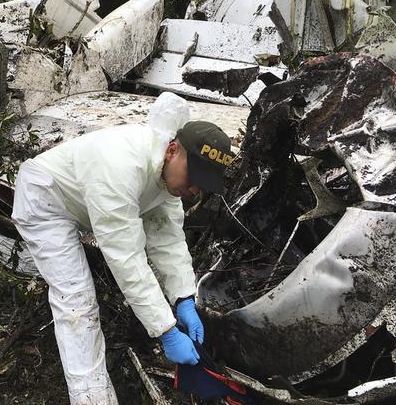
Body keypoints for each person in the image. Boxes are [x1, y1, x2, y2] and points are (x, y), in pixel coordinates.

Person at [12, 92, 234, 405]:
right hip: (45, 198)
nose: (194, 189)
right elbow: (127, 258)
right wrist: (166, 331)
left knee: (92, 293)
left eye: (204, 184)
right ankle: (90, 399)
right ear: (173, 150)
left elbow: (167, 238)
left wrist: (184, 298)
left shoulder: (165, 176)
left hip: (82, 202)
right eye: (194, 177)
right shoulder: (121, 166)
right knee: (77, 302)